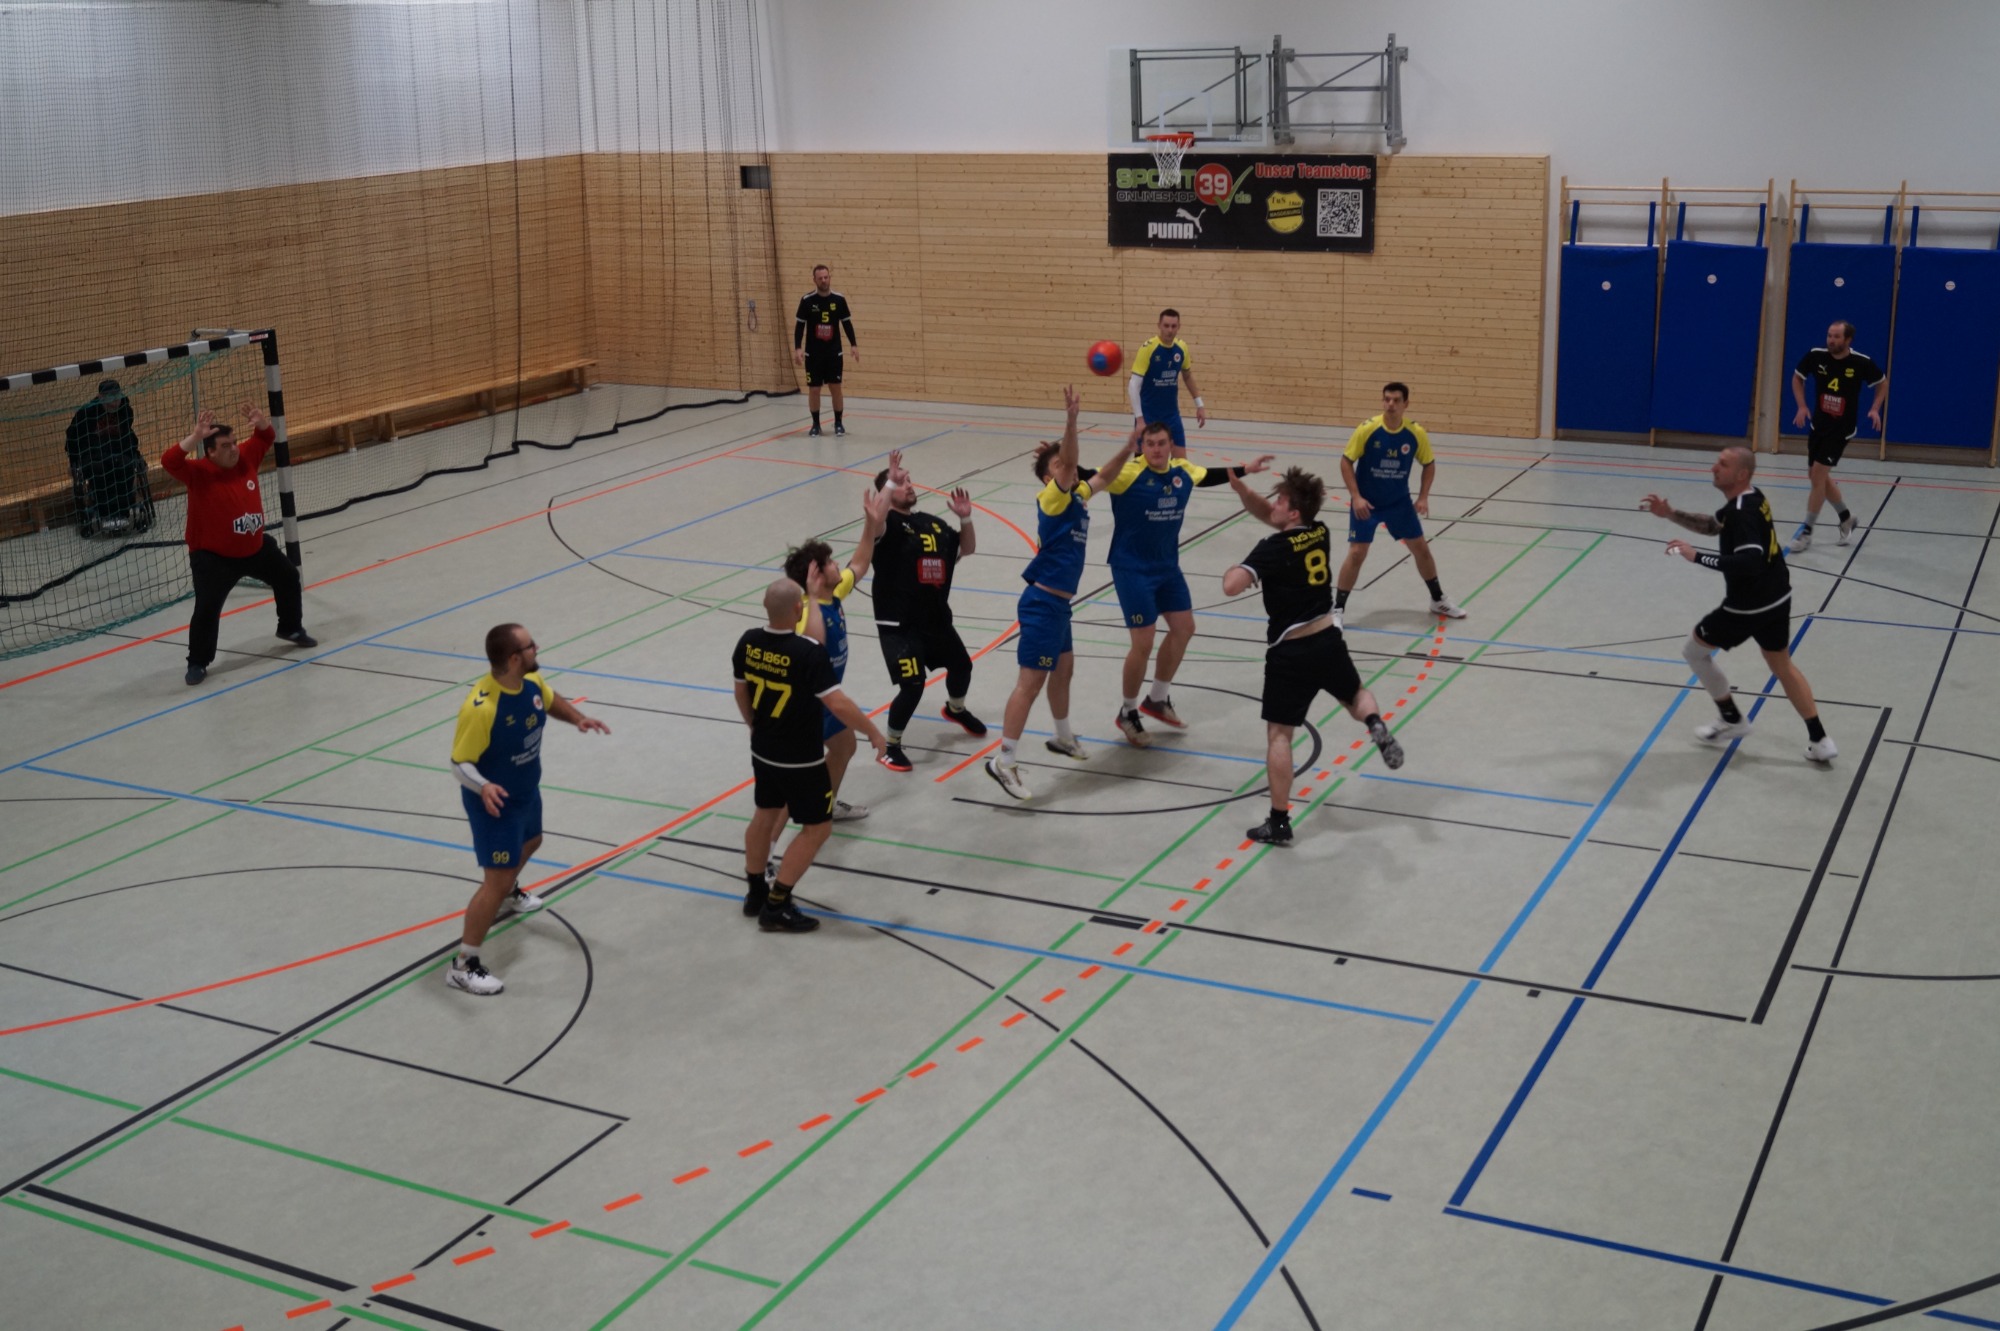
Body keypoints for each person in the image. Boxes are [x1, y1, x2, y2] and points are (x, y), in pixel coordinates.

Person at [1221, 467, 1405, 846]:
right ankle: (1374, 723)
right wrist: (1243, 491)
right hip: (1328, 640)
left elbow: (1231, 587)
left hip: (1290, 652)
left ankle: (1279, 822)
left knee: (1279, 735)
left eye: (1280, 500)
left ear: (1293, 512)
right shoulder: (1320, 532)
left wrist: (1237, 569)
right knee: (1355, 694)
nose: (1274, 504)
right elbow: (1272, 516)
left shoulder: (1271, 549)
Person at [985, 390, 1139, 800]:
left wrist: (1128, 446)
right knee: (1029, 684)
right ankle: (1004, 760)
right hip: (1041, 604)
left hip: (1059, 605)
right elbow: (1071, 464)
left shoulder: (1077, 497)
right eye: (1057, 466)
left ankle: (1062, 736)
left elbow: (1104, 476)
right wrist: (1071, 421)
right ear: (1048, 477)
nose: (1066, 469)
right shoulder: (1052, 498)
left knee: (1064, 669)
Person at [1642, 446, 1836, 763]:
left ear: (1741, 474)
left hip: (1747, 606)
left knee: (1694, 652)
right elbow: (1712, 525)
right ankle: (1821, 740)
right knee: (1782, 666)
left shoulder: (1742, 513)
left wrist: (1696, 556)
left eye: (1723, 464)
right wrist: (1671, 514)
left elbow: (1750, 561)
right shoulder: (1751, 498)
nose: (1714, 468)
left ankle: (1732, 720)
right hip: (1778, 597)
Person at [446, 623, 610, 996]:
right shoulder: (482, 708)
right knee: (495, 880)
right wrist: (484, 786)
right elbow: (459, 763)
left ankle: (509, 890)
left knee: (533, 841)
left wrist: (578, 718)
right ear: (514, 658)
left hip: (525, 790)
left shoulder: (529, 682)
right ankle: (463, 965)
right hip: (495, 804)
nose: (537, 649)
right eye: (530, 646)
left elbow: (548, 700)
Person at [1103, 422, 1273, 746]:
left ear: (1170, 445)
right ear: (1141, 447)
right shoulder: (1127, 474)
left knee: (1184, 628)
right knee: (1143, 642)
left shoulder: (1182, 470)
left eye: (1161, 443)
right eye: (1150, 444)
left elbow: (1206, 476)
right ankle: (1127, 712)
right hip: (1132, 568)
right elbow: (1088, 475)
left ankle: (1157, 699)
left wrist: (1245, 469)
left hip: (1167, 566)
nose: (1156, 449)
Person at [735, 573, 888, 932]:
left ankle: (755, 892)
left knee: (764, 814)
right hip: (800, 758)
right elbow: (837, 703)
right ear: (798, 608)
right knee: (817, 829)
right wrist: (873, 732)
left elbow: (741, 692)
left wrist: (754, 726)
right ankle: (777, 904)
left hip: (763, 749)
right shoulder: (807, 652)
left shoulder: (749, 641)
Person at [160, 405, 316, 686]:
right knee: (207, 609)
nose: (233, 449)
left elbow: (265, 437)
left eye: (234, 442)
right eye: (225, 446)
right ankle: (197, 661)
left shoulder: (245, 457)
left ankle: (290, 628)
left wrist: (261, 423)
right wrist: (195, 437)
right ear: (210, 451)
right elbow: (169, 461)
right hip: (214, 557)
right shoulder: (198, 472)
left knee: (288, 576)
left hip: (255, 548)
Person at [778, 481, 892, 825]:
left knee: (844, 746)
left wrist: (870, 525)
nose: (836, 563)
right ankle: (775, 841)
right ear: (815, 576)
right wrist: (873, 731)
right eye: (828, 562)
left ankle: (824, 806)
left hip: (822, 701)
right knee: (797, 780)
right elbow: (809, 647)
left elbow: (860, 562)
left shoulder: (833, 594)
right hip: (804, 709)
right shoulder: (806, 614)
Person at [871, 449, 986, 771]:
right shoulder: (885, 526)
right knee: (913, 685)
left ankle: (955, 709)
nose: (908, 484)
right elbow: (875, 520)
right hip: (900, 625)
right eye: (901, 481)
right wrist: (889, 483)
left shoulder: (931, 524)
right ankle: (891, 746)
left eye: (908, 479)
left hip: (935, 620)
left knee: (962, 667)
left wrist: (965, 518)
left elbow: (967, 548)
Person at [1335, 382, 1467, 627]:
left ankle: (1438, 599)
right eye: (1387, 399)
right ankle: (1337, 609)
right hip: (1367, 504)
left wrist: (1423, 497)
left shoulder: (1415, 433)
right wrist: (1356, 497)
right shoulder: (1368, 429)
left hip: (1398, 503)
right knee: (1356, 553)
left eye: (1396, 400)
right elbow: (1346, 461)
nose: (1390, 405)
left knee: (1421, 549)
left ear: (1406, 404)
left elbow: (1429, 464)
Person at [1789, 320, 1886, 553]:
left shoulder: (1861, 362)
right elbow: (1797, 378)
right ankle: (1846, 518)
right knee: (1816, 476)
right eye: (1829, 335)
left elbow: (1882, 384)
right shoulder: (1816, 356)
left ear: (1847, 340)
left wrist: (1875, 409)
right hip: (1818, 425)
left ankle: (1806, 532)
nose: (1831, 340)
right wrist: (1802, 406)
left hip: (1841, 430)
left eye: (1836, 337)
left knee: (1818, 475)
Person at [64, 379, 151, 537]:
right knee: (99, 469)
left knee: (125, 466)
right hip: (94, 455)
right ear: (100, 397)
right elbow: (72, 438)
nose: (114, 403)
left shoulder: (125, 410)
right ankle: (105, 514)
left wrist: (136, 455)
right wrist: (73, 462)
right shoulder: (86, 414)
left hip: (119, 452)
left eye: (117, 397)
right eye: (110, 398)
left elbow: (128, 436)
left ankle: (123, 513)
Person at [1126, 308, 1208, 455]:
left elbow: (1187, 376)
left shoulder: (1181, 348)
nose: (1170, 330)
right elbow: (1133, 385)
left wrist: (1199, 405)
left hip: (1172, 416)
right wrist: (1139, 420)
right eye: (1166, 326)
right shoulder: (1148, 348)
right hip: (1148, 417)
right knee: (1142, 465)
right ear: (1159, 325)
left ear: (1179, 327)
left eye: (1173, 326)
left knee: (1181, 463)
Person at [794, 264, 859, 437]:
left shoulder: (839, 300)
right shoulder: (807, 301)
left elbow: (847, 323)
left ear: (829, 278)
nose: (824, 280)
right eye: (820, 278)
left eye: (826, 277)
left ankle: (838, 422)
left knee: (835, 387)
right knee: (814, 389)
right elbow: (800, 325)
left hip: (833, 353)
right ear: (814, 280)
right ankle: (816, 424)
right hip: (813, 354)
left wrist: (853, 344)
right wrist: (798, 348)